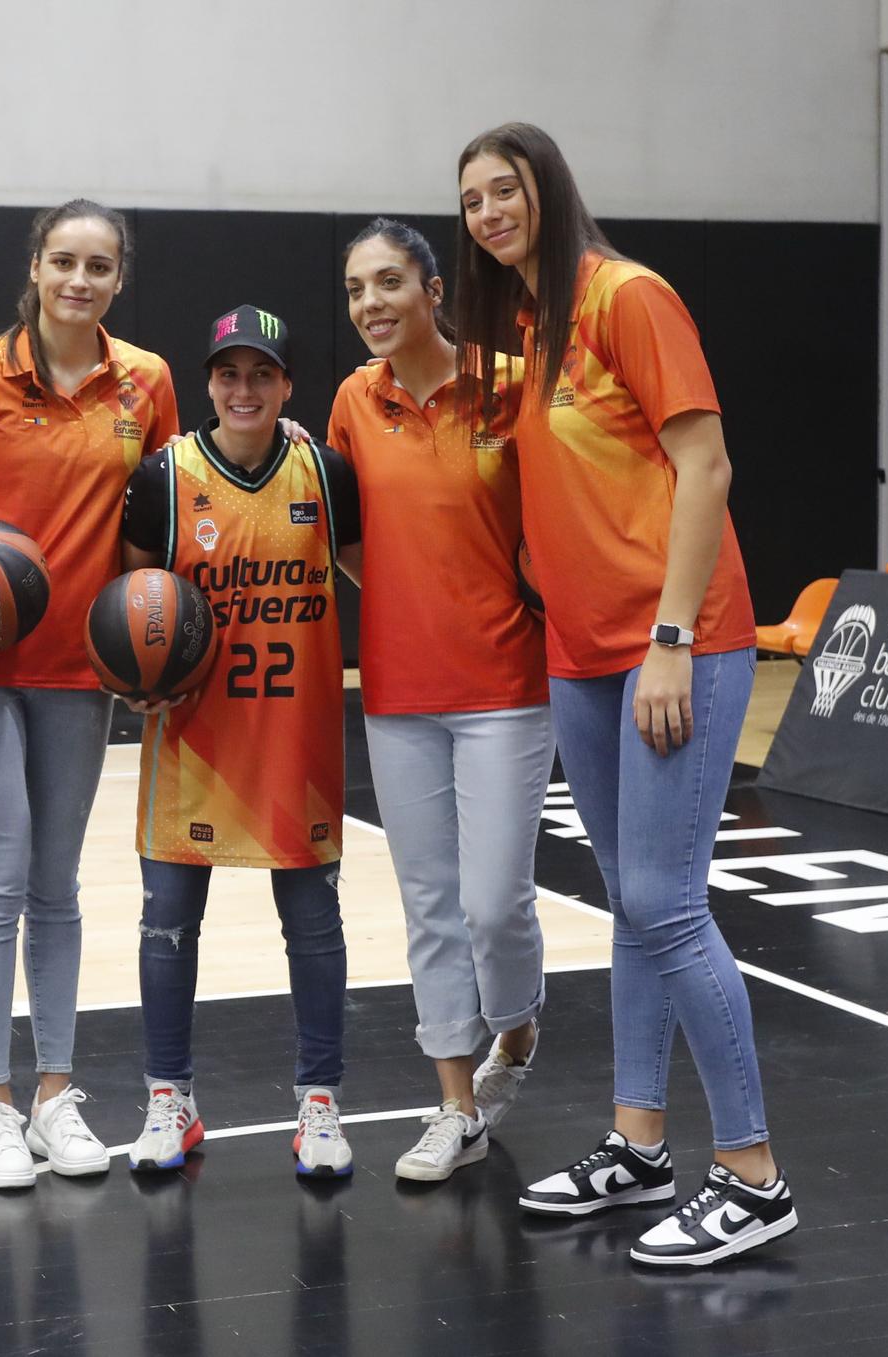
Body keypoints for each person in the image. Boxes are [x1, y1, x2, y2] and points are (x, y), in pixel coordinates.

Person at [453, 122, 795, 1266]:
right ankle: (638, 1143)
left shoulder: (626, 297)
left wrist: (664, 636)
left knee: (666, 902)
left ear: (547, 190)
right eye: (472, 200)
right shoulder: (532, 327)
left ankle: (751, 1177)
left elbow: (705, 466)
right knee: (627, 902)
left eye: (505, 189)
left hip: (673, 648)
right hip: (581, 654)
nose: (489, 211)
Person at [0, 200, 180, 1190]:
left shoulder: (145, 381)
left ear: (116, 277)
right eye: (64, 260)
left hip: (81, 668)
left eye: (98, 265)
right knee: (0, 874)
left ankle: (54, 1094)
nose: (79, 279)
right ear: (35, 266)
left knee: (55, 882)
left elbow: (155, 527)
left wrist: (154, 647)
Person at [326, 219, 554, 1183]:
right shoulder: (351, 401)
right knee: (430, 902)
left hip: (506, 681)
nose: (371, 304)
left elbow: (551, 522)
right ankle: (456, 1104)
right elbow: (343, 534)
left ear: (431, 289)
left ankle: (521, 1026)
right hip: (398, 688)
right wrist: (415, 596)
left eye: (389, 283)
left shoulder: (509, 384)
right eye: (354, 290)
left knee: (494, 900)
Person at [117, 305, 363, 1179]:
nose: (245, 388)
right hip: (194, 738)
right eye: (229, 373)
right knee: (168, 925)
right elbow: (131, 598)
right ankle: (169, 1100)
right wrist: (132, 667)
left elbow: (380, 575)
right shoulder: (165, 478)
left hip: (295, 737)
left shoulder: (327, 475)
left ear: (289, 385)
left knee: (314, 926)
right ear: (207, 383)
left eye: (263, 373)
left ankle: (321, 1103)